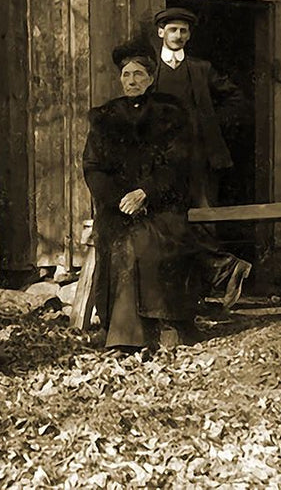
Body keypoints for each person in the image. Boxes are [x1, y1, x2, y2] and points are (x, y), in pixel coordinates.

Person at [83, 44, 201, 350]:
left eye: (139, 74)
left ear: (150, 79)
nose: (132, 80)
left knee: (147, 242)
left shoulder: (169, 113)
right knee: (117, 241)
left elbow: (177, 163)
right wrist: (120, 199)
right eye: (126, 74)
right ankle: (120, 330)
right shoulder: (105, 117)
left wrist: (145, 192)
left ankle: (159, 326)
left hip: (161, 203)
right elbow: (93, 167)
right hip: (118, 206)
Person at [151, 8, 233, 208]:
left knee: (204, 213)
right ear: (161, 32)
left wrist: (212, 120)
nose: (178, 36)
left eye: (183, 31)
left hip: (198, 157)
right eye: (173, 30)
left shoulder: (201, 69)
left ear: (189, 35)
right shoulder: (149, 69)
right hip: (161, 156)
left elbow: (235, 97)